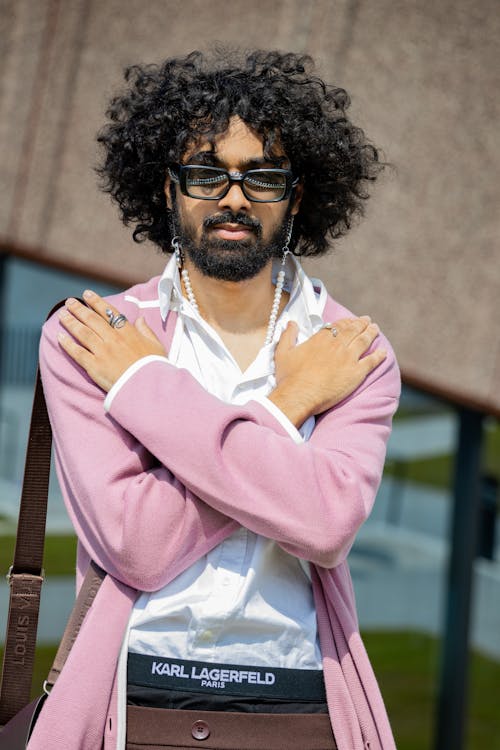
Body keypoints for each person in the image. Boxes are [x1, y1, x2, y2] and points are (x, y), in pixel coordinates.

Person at [32, 49, 400, 750]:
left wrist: (147, 394)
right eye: (206, 172)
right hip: (131, 705)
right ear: (167, 189)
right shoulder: (94, 339)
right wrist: (289, 401)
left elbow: (324, 524)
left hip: (301, 707)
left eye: (261, 177)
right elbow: (136, 545)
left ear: (296, 195)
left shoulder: (352, 354)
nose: (234, 197)